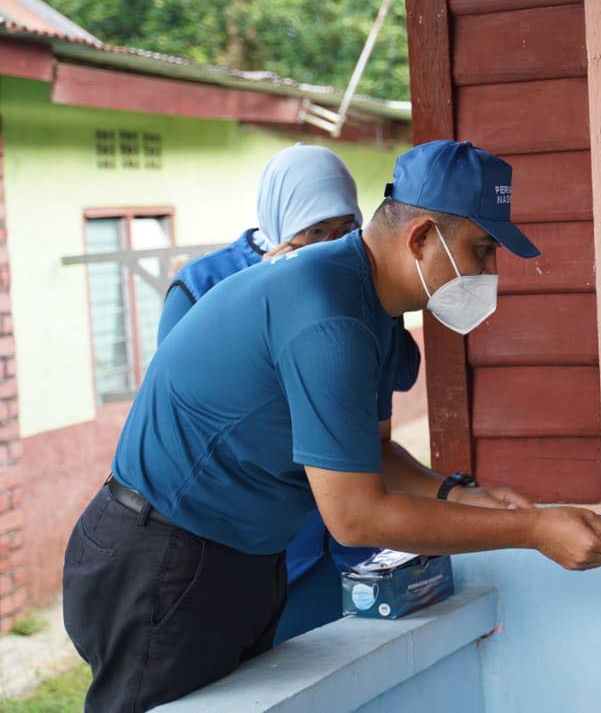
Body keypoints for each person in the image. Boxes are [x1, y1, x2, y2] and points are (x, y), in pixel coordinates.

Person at [63, 140, 601, 711]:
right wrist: (532, 531)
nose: (490, 272)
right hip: (163, 557)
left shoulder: (373, 306)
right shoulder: (330, 315)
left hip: (242, 557)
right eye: (482, 250)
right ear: (420, 237)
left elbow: (373, 449)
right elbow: (357, 516)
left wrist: (460, 493)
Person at [156, 142, 435, 643]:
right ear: (282, 225)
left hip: (350, 525)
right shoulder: (205, 285)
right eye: (315, 233)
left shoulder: (359, 282)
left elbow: (395, 377)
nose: (330, 245)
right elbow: (186, 413)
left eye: (344, 230)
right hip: (250, 533)